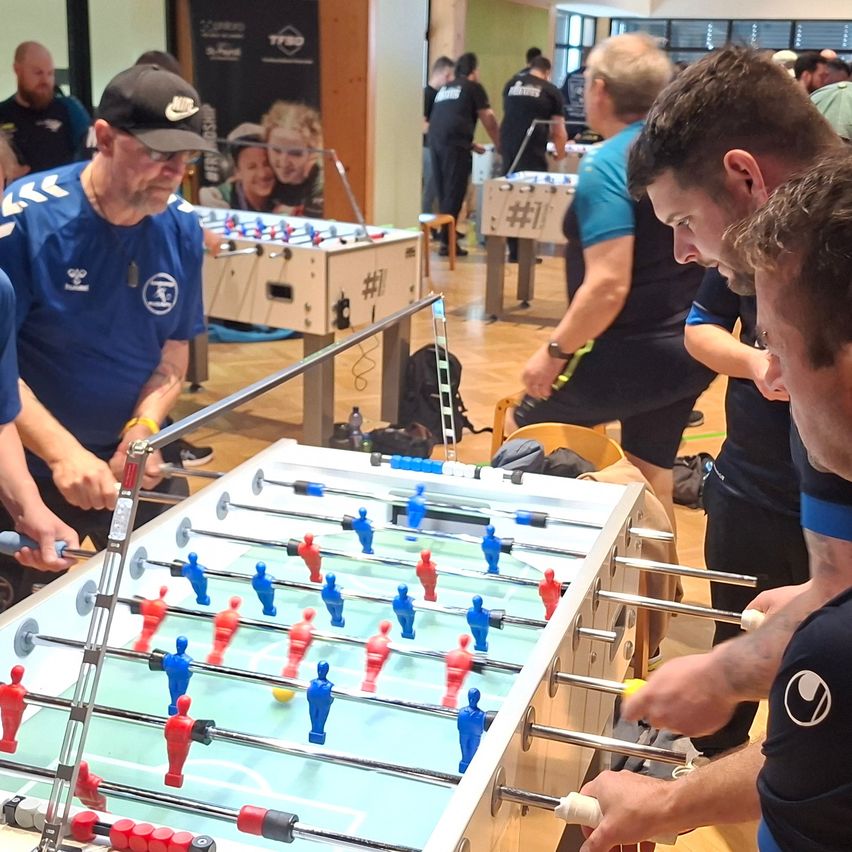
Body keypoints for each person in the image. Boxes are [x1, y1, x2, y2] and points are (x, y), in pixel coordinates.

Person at [572, 47, 848, 850]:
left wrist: (669, 802)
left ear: (745, 178)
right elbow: (838, 589)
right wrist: (777, 639)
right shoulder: (791, 270)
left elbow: (826, 738)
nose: (775, 382)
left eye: (782, 355)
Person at [0, 63, 215, 609]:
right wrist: (65, 455)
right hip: (30, 469)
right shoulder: (26, 218)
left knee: (175, 607)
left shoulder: (183, 227)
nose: (174, 171)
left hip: (130, 465)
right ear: (103, 138)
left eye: (185, 157)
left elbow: (173, 351)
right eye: (158, 153)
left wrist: (142, 429)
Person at [510, 34, 713, 527]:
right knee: (649, 472)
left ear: (599, 90)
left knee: (527, 440)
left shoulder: (609, 162)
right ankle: (658, 597)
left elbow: (607, 285)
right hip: (684, 350)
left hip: (621, 353)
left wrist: (552, 352)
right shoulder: (682, 153)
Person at [683, 268, 808, 756]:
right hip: (746, 488)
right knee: (734, 628)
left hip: (831, 509)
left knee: (816, 662)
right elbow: (700, 327)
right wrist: (755, 363)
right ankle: (716, 755)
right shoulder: (753, 245)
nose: (683, 252)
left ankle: (790, 767)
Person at [427, 52, 500, 258]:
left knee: (444, 193)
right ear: (474, 72)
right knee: (455, 193)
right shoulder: (473, 88)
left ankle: (445, 238)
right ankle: (447, 243)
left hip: (436, 143)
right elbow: (489, 119)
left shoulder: (445, 89)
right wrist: (500, 144)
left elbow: (448, 120)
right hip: (454, 146)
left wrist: (469, 144)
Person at [499, 55, 567, 262]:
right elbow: (558, 130)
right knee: (532, 202)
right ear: (547, 71)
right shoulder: (550, 91)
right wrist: (560, 153)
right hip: (532, 152)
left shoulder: (511, 85)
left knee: (510, 198)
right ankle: (526, 252)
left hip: (509, 149)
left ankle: (513, 250)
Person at [0, 42, 91, 175]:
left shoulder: (70, 108)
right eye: (38, 73)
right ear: (17, 70)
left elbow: (91, 152)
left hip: (64, 190)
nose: (45, 80)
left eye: (50, 73)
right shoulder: (3, 114)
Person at [261, 100, 323, 217]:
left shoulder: (321, 185)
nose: (283, 162)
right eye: (276, 150)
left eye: (295, 153)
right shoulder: (260, 176)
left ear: (313, 153)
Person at [198, 122, 275, 212]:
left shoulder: (285, 197)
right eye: (252, 167)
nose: (262, 174)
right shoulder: (217, 198)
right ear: (237, 172)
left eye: (267, 164)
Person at [423, 56, 455, 215]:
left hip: (438, 148)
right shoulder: (427, 95)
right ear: (445, 74)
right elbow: (421, 125)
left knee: (438, 191)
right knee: (430, 190)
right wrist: (441, 130)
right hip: (428, 148)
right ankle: (425, 228)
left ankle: (437, 227)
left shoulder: (441, 96)